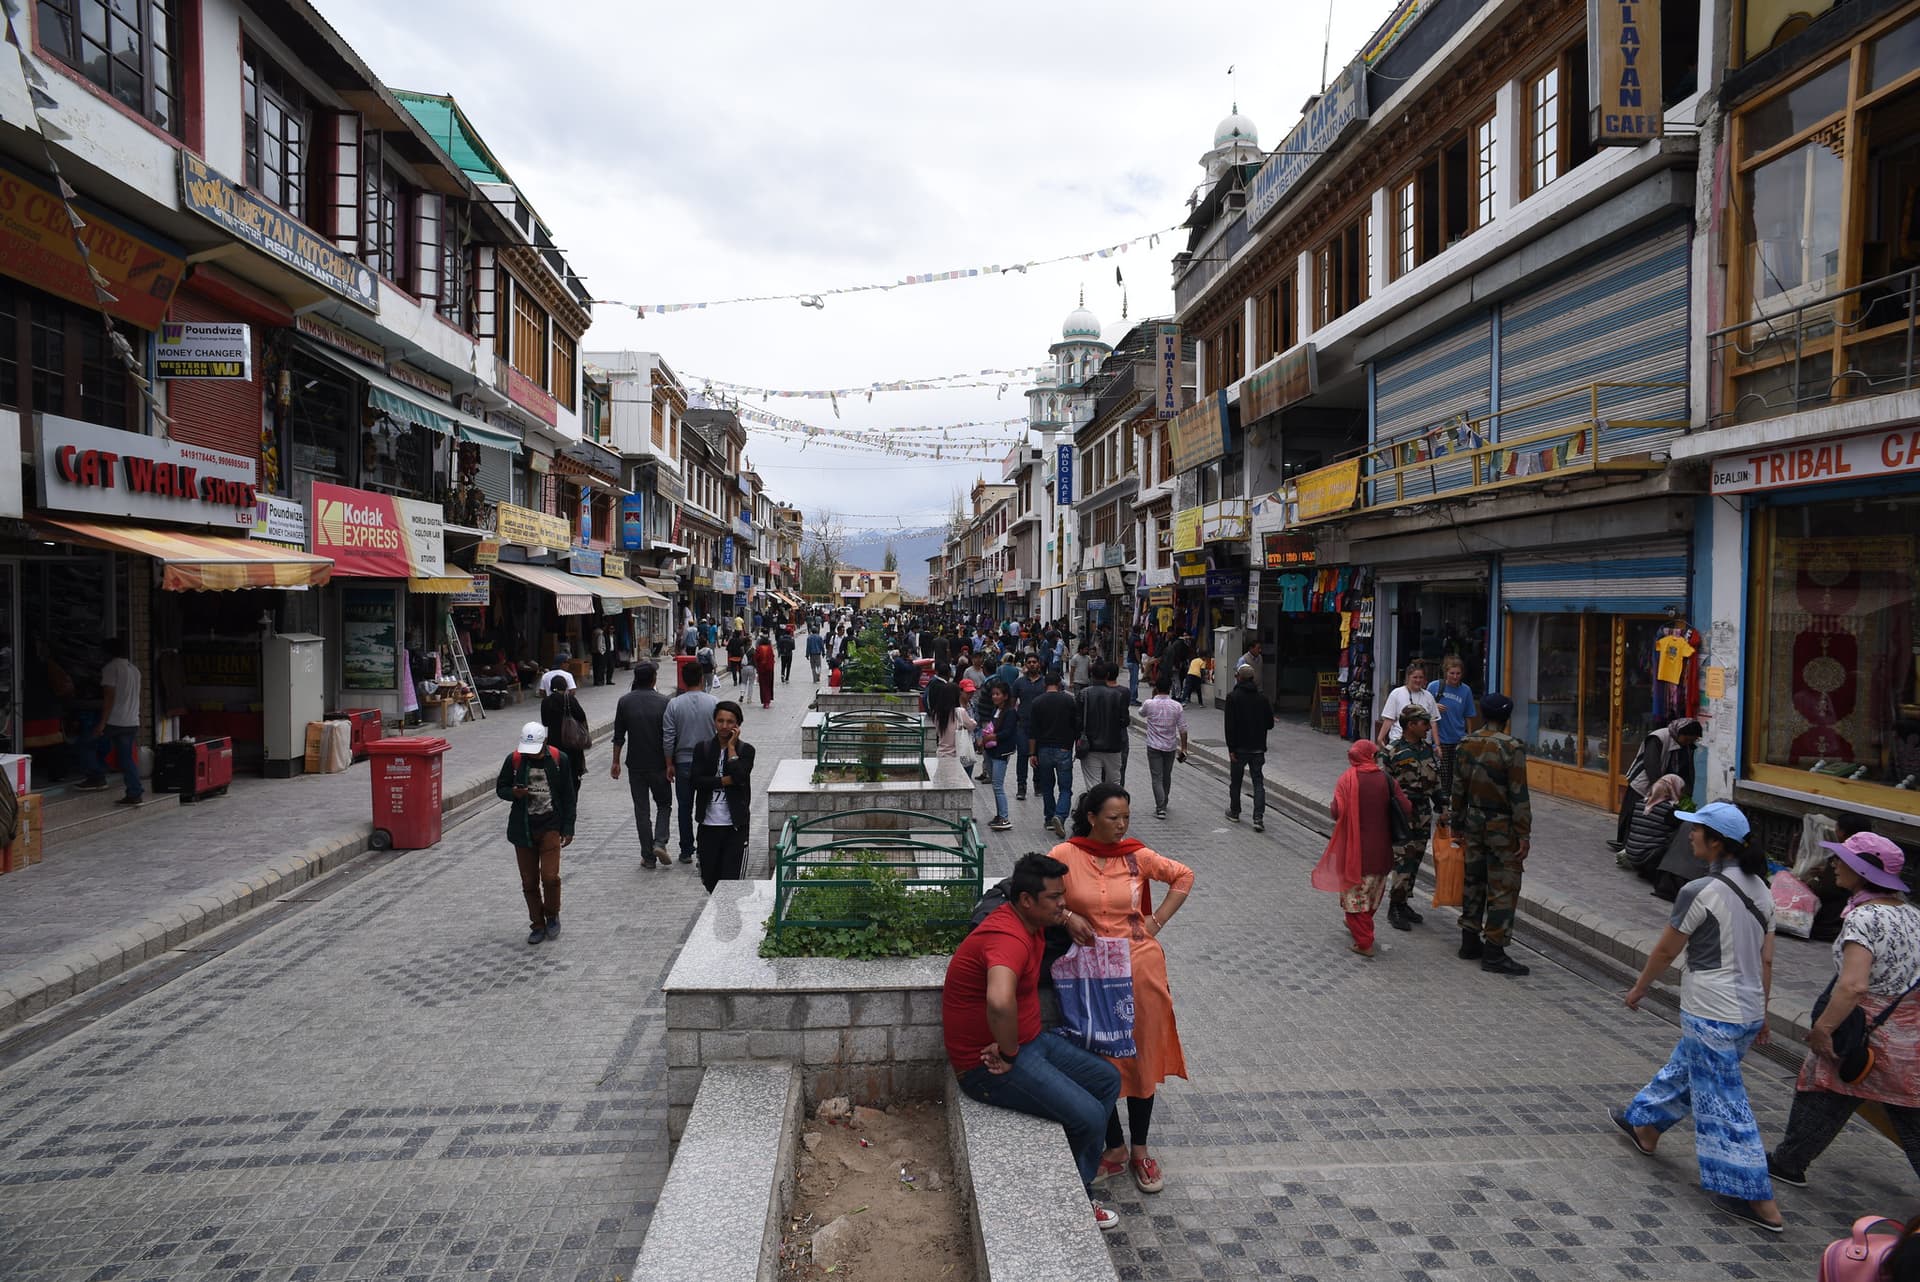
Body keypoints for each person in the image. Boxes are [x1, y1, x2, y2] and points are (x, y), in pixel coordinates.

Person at [1614, 801, 1782, 1233]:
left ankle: (1756, 1198)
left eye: (1696, 830)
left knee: (1724, 1101)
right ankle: (1645, 1125)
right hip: (1743, 1013)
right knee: (1689, 1068)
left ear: (1717, 842)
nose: (1689, 836)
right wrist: (1762, 1014)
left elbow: (1667, 950)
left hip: (1711, 1009)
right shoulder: (1763, 890)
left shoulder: (1700, 891)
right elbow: (1766, 962)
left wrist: (1639, 988)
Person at [943, 852, 1124, 1232]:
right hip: (987, 1064)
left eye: (1064, 896)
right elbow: (998, 999)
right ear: (1027, 901)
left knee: (1107, 1080)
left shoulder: (1030, 919)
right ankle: (1075, 1199)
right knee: (1090, 1116)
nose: (1063, 904)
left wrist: (1068, 915)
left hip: (1031, 1042)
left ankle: (1075, 1182)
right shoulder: (1007, 937)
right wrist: (1008, 1051)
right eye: (1056, 899)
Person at [1054, 784, 1193, 1196]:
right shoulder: (1065, 855)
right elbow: (1033, 891)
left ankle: (1141, 1150)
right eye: (1114, 818)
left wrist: (1155, 922)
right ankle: (1113, 1147)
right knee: (1101, 1057)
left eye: (1126, 818)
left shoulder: (1136, 855)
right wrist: (1064, 918)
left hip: (1140, 968)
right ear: (1092, 817)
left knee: (1142, 1055)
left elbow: (1184, 876)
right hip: (1091, 974)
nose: (1121, 826)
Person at [1770, 832, 1920, 1185]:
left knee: (1821, 1092)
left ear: (1863, 871)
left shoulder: (1864, 918)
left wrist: (1823, 1028)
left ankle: (1789, 1162)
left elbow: (1853, 985)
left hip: (1864, 1034)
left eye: (1843, 860)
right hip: (1908, 1041)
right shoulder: (1914, 915)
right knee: (1910, 1117)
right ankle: (1789, 1159)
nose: (1834, 864)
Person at [1449, 692, 1533, 975]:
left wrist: (1456, 823)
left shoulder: (1465, 742)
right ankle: (1494, 951)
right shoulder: (1512, 747)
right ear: (1507, 718)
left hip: (1473, 819)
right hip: (1501, 825)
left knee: (1473, 880)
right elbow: (1519, 794)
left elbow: (1457, 787)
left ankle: (1469, 941)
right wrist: (1524, 834)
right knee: (1503, 886)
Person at [1312, 741, 1410, 957]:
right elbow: (1406, 808)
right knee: (1372, 894)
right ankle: (1360, 926)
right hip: (1382, 850)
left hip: (1355, 852)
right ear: (1372, 755)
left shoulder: (1347, 779)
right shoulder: (1387, 780)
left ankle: (1364, 942)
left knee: (1354, 899)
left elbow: (1337, 811)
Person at [495, 721, 576, 945]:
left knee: (550, 876)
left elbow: (569, 796)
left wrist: (568, 827)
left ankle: (552, 915)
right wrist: (514, 793)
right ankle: (537, 924)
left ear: (545, 743)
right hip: (523, 829)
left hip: (550, 825)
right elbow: (500, 788)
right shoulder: (515, 760)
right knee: (529, 881)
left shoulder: (560, 760)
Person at [1383, 705, 1440, 931]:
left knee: (1415, 858)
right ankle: (1394, 906)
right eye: (1424, 723)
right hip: (1402, 814)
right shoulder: (1392, 751)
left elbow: (1434, 782)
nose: (1428, 727)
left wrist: (1443, 804)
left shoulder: (1426, 749)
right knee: (1402, 860)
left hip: (1423, 813)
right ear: (1410, 725)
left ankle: (1404, 901)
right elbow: (1383, 785)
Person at [610, 662, 672, 869]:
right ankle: (660, 842)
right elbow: (669, 737)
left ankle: (648, 856)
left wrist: (615, 762)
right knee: (664, 804)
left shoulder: (624, 702)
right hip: (659, 764)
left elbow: (618, 736)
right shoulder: (664, 702)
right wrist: (671, 763)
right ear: (654, 679)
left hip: (635, 765)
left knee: (641, 810)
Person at [1610, 718, 1703, 852]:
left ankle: (1645, 845)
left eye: (1692, 740)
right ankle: (1625, 843)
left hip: (1667, 785)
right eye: (1688, 739)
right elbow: (1651, 765)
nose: (1689, 742)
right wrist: (1660, 790)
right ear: (1680, 733)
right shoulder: (1658, 737)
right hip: (1643, 782)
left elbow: (1687, 770)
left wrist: (1686, 793)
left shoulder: (1686, 746)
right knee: (1633, 812)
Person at [691, 700, 755, 892]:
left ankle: (728, 920)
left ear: (738, 725)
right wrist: (723, 781)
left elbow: (740, 777)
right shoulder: (702, 749)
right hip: (708, 825)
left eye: (730, 721)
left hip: (734, 826)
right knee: (709, 879)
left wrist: (732, 748)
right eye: (720, 721)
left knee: (730, 883)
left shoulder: (746, 750)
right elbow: (696, 781)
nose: (724, 726)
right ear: (714, 722)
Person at [663, 663, 720, 867]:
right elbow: (719, 733)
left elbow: (668, 737)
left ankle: (686, 850)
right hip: (708, 762)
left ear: (684, 680)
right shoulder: (714, 702)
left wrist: (669, 763)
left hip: (683, 761)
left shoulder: (674, 705)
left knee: (685, 808)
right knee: (708, 807)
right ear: (702, 679)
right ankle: (705, 850)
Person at [78, 636, 142, 804]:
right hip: (132, 721)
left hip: (115, 721)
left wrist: (101, 723)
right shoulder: (135, 670)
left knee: (86, 743)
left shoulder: (110, 668)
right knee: (126, 758)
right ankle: (135, 792)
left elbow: (109, 698)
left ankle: (96, 776)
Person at [1027, 668, 1079, 839]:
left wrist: (1032, 753)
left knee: (1047, 787)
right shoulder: (1069, 701)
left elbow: (1033, 731)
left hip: (1043, 750)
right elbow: (1076, 725)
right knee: (1065, 788)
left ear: (1044, 685)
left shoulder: (1037, 702)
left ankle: (1049, 818)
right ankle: (1060, 815)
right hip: (1063, 749)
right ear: (1059, 684)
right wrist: (1073, 744)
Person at [1223, 666, 1275, 832]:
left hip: (1239, 748)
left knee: (1236, 781)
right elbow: (1270, 724)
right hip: (1258, 748)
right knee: (1258, 782)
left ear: (1239, 678)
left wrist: (1231, 748)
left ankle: (1235, 812)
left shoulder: (1233, 697)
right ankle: (1258, 818)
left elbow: (1229, 726)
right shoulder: (1262, 698)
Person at [1138, 678, 1189, 820]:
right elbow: (1183, 728)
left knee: (1156, 777)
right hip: (1170, 746)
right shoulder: (1177, 706)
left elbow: (1141, 713)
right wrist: (1184, 748)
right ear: (1170, 689)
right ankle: (1164, 801)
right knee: (1167, 775)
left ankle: (1160, 808)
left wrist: (1152, 697)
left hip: (1153, 746)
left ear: (1155, 688)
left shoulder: (1149, 703)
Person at [1621, 773, 1688, 882]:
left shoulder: (1638, 804)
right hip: (1649, 859)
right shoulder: (1671, 811)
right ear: (1673, 789)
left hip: (1631, 855)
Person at [1431, 656, 1478, 803]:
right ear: (1446, 672)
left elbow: (1469, 715)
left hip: (1459, 738)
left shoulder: (1466, 691)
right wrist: (1433, 707)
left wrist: (1469, 737)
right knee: (1443, 775)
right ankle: (1444, 805)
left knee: (1458, 775)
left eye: (1458, 673)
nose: (1455, 676)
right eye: (1452, 673)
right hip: (1441, 739)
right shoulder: (1434, 687)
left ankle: (1456, 804)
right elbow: (1423, 707)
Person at [1077, 662, 1130, 788]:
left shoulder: (1084, 694)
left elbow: (1077, 721)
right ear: (1107, 675)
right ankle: (1114, 807)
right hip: (1113, 746)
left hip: (1090, 746)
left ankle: (1097, 807)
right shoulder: (1118, 695)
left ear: (1091, 675)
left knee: (1093, 785)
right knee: (1115, 784)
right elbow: (1125, 721)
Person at [980, 681, 1018, 831]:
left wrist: (993, 737)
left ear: (1005, 696)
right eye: (993, 694)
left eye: (998, 694)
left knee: (998, 785)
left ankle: (1004, 817)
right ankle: (999, 815)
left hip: (1001, 752)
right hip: (991, 751)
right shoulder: (996, 710)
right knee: (995, 786)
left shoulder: (1010, 712)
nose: (994, 696)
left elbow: (1007, 732)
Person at [539, 670, 589, 781]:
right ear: (565, 686)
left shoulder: (546, 701)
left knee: (558, 769)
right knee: (573, 771)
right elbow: (581, 716)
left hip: (554, 741)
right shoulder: (570, 699)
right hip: (572, 740)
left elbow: (545, 722)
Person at [1011, 654, 1048, 802]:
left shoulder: (1045, 683)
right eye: (1029, 662)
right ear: (1025, 665)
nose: (1032, 664)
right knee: (1022, 755)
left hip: (1041, 726)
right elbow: (1012, 703)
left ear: (1039, 664)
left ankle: (1038, 784)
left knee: (1038, 755)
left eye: (1034, 662)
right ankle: (1021, 786)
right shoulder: (1019, 683)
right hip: (1023, 725)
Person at [1375, 661, 1440, 745]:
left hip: (1423, 744)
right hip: (1399, 741)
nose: (1418, 680)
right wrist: (1380, 738)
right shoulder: (1396, 693)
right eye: (1415, 677)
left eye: (1421, 677)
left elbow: (1433, 722)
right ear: (1408, 677)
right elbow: (1389, 718)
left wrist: (1437, 745)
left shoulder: (1428, 696)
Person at [926, 664, 976, 759]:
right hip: (959, 753)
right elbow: (972, 725)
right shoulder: (959, 712)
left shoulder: (937, 714)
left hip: (942, 753)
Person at [753, 634, 776, 710]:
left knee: (763, 686)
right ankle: (768, 700)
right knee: (769, 684)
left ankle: (764, 701)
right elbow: (772, 658)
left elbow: (756, 658)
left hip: (761, 670)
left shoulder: (759, 649)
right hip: (769, 669)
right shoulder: (769, 648)